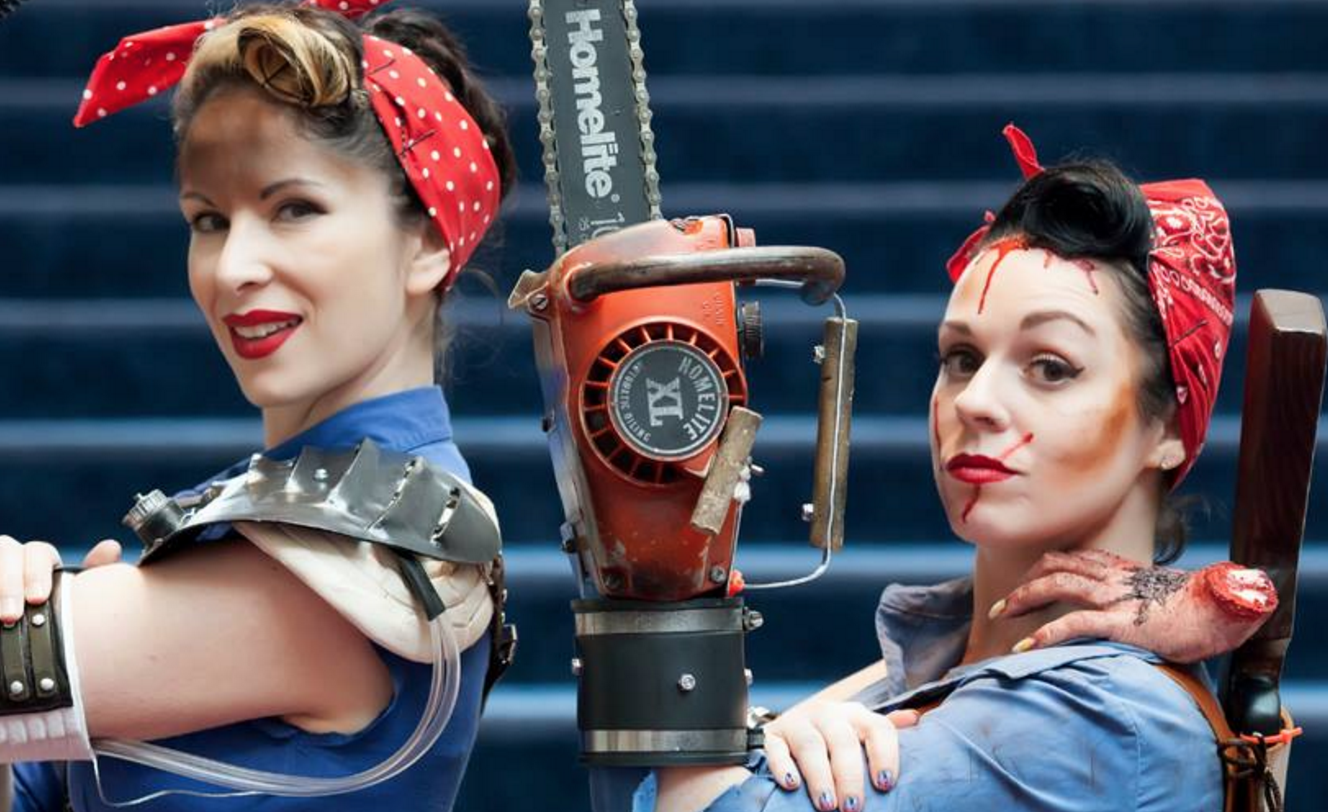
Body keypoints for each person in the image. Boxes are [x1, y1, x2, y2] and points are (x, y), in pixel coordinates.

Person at [626, 126, 1274, 812]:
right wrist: (780, 739)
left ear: (1167, 425)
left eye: (1051, 367)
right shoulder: (938, 662)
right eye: (961, 359)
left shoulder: (1105, 717)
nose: (976, 400)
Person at [3, 1, 517, 809]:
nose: (232, 266)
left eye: (293, 209)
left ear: (426, 241)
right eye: (208, 219)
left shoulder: (378, 546)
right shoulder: (268, 512)